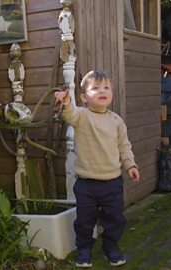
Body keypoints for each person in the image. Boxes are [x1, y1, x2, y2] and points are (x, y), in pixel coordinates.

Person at [54, 70, 140, 268]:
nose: (103, 91)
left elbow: (124, 146)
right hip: (86, 184)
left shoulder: (117, 121)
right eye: (96, 88)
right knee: (84, 221)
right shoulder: (82, 116)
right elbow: (69, 114)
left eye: (107, 87)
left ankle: (111, 247)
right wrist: (66, 103)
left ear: (111, 94)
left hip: (112, 182)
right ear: (84, 97)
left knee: (115, 219)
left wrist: (131, 165)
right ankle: (84, 249)